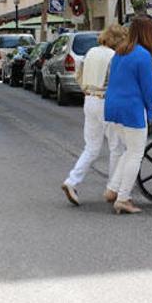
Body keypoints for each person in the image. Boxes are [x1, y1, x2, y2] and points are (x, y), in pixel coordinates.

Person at [104, 16, 152, 214]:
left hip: (112, 107)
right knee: (135, 153)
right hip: (131, 109)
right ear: (148, 33)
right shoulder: (142, 55)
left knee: (128, 150)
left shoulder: (120, 52)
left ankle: (112, 189)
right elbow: (147, 89)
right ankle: (123, 198)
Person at [61, 24, 128, 206]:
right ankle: (112, 188)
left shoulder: (90, 52)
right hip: (105, 100)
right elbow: (118, 81)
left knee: (91, 147)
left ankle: (72, 181)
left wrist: (86, 89)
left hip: (89, 99)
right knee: (116, 147)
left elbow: (78, 75)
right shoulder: (114, 56)